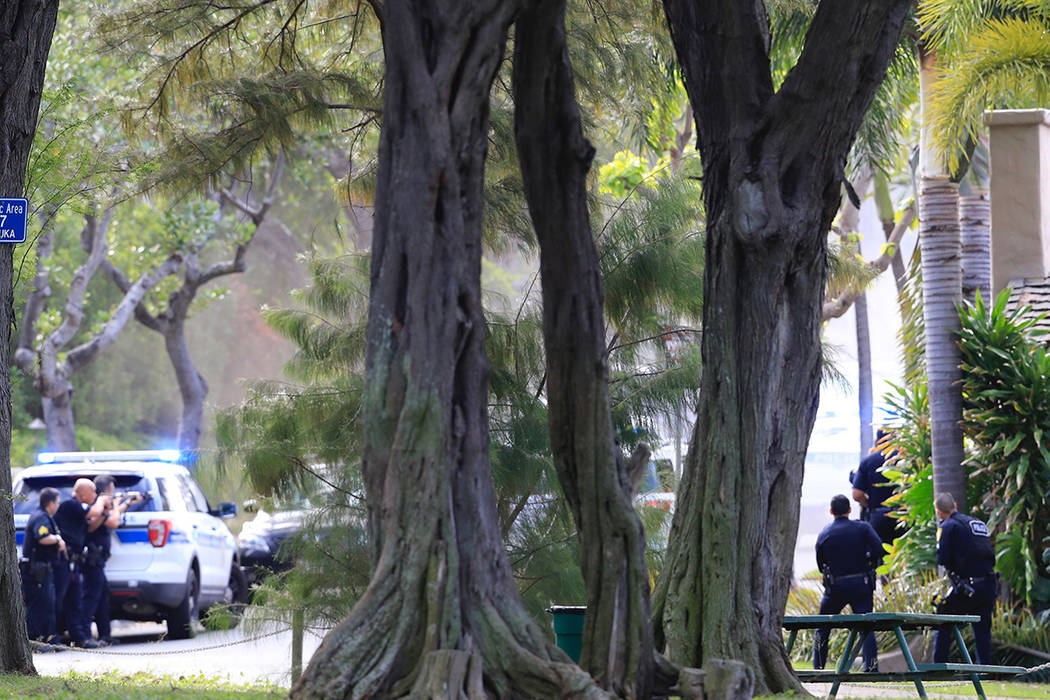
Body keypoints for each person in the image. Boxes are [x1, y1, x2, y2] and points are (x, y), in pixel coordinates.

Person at [814, 494, 884, 673]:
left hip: (835, 587)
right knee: (866, 627)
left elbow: (821, 565)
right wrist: (869, 561)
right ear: (850, 510)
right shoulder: (863, 528)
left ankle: (819, 669)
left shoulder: (825, 533)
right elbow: (879, 550)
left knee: (822, 627)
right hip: (861, 584)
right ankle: (871, 668)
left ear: (831, 511)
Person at [933, 492, 997, 664]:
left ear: (939, 512)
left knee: (943, 620)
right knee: (983, 631)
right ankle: (984, 668)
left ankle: (937, 669)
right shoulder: (977, 523)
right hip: (989, 584)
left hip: (967, 587)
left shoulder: (948, 526)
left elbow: (942, 558)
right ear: (955, 505)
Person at [82, 475, 144, 646]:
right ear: (108, 489)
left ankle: (105, 635)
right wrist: (116, 505)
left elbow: (110, 517)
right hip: (92, 558)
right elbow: (114, 521)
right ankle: (85, 636)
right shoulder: (98, 503)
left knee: (101, 598)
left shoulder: (102, 504)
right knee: (92, 597)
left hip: (99, 559)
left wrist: (128, 503)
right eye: (112, 489)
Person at [53, 478, 105, 648]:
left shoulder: (80, 509)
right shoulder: (71, 505)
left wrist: (104, 511)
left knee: (75, 602)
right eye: (94, 492)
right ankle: (52, 638)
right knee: (58, 601)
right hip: (61, 562)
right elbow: (92, 513)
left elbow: (90, 526)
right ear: (83, 494)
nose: (96, 496)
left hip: (73, 563)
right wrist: (103, 501)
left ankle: (81, 638)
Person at [21, 487, 66, 648]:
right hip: (36, 572)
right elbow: (43, 537)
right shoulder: (41, 517)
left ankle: (50, 642)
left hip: (42, 570)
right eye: (57, 502)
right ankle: (37, 642)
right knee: (39, 608)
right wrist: (58, 540)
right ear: (50, 503)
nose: (58, 506)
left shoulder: (44, 516)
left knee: (47, 606)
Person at [851, 429, 899, 545]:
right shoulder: (904, 460)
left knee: (880, 555)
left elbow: (857, 494)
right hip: (901, 516)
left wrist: (870, 504)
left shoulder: (868, 461)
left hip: (878, 516)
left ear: (877, 441)